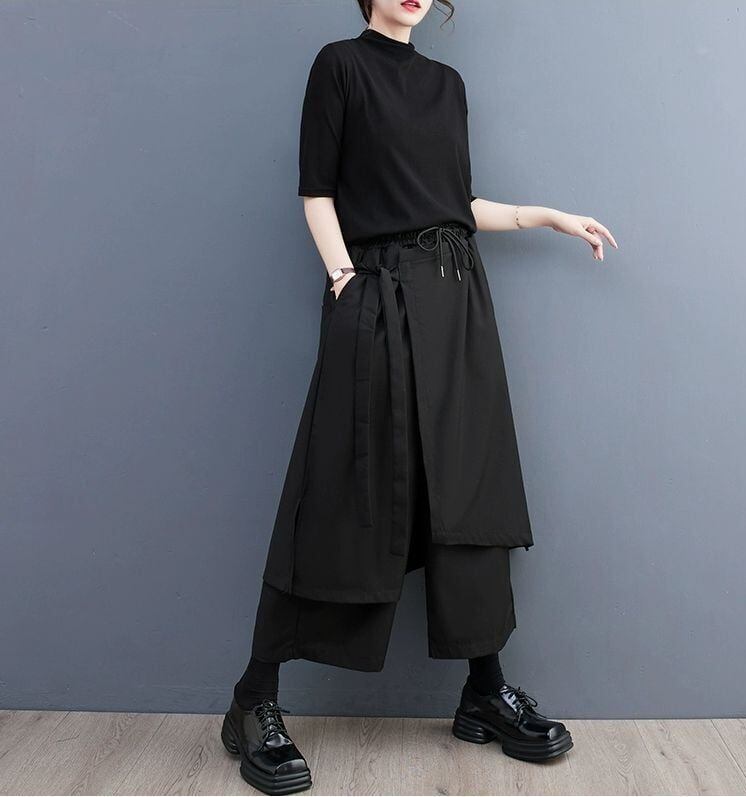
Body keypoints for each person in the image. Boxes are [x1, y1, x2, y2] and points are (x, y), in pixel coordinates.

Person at [220, 1, 617, 793]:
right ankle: (253, 697)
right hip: (377, 296)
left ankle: (483, 690)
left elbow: (454, 204)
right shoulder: (340, 65)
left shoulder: (447, 83)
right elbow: (317, 190)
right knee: (340, 491)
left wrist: (545, 216)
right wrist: (344, 280)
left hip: (458, 301)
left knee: (466, 493)